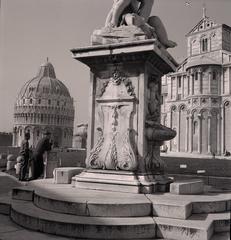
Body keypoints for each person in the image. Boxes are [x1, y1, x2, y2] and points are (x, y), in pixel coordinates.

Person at [105, 0, 177, 48]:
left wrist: (143, 22)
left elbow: (143, 15)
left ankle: (164, 40)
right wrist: (113, 21)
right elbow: (117, 8)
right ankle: (142, 25)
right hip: (122, 20)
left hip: (137, 20)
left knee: (155, 20)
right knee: (132, 18)